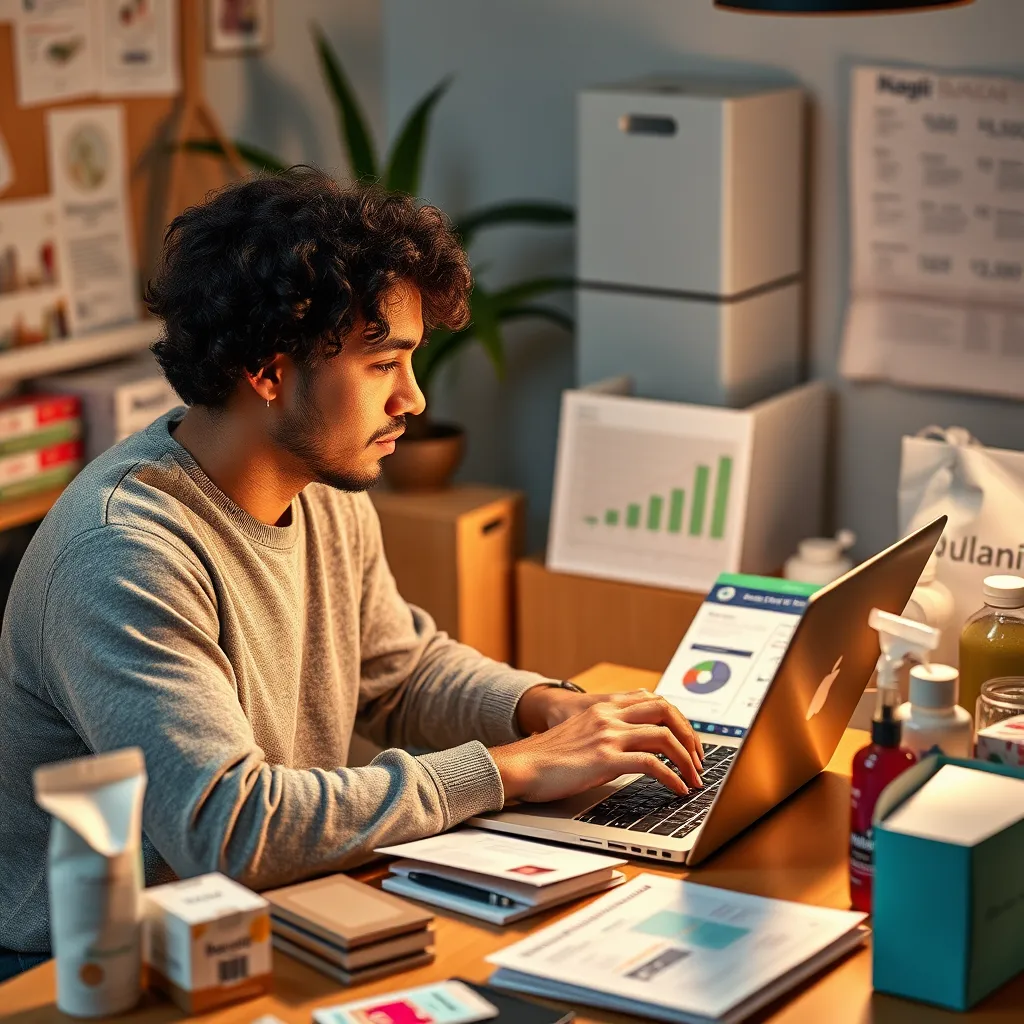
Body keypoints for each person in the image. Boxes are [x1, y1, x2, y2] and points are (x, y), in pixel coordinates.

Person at [0, 167, 703, 980]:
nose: (412, 399)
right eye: (382, 364)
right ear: (268, 373)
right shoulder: (126, 550)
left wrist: (539, 709)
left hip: (254, 923)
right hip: (84, 972)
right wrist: (510, 771)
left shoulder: (319, 484)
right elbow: (229, 829)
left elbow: (397, 673)